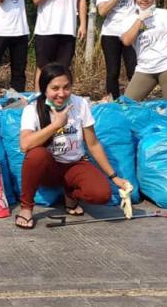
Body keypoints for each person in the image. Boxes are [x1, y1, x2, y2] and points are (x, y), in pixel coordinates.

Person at [15, 63, 132, 229]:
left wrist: (114, 177)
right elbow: (24, 145)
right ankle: (26, 208)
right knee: (36, 154)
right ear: (44, 89)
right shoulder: (32, 109)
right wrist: (56, 125)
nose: (61, 94)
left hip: (75, 165)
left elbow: (93, 143)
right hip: (49, 168)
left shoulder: (80, 104)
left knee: (102, 195)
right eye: (55, 88)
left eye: (66, 87)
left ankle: (70, 193)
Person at [96, 0, 138, 99]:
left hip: (130, 33)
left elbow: (145, 3)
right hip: (110, 34)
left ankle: (134, 100)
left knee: (133, 70)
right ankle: (113, 102)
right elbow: (102, 11)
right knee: (113, 71)